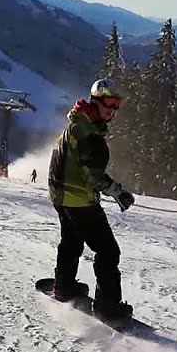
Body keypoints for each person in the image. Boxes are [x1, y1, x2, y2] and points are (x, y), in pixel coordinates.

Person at [47, 78, 135, 320]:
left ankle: (63, 286)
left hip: (60, 195)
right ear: (96, 100)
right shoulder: (89, 133)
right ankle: (108, 307)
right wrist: (118, 192)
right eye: (109, 102)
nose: (113, 109)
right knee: (107, 251)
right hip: (78, 199)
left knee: (71, 240)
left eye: (117, 104)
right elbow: (93, 175)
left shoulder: (78, 123)